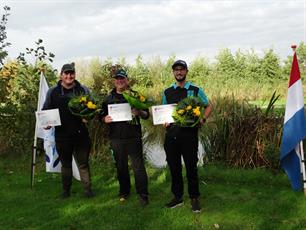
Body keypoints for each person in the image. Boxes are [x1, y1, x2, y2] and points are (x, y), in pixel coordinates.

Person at [162, 60, 212, 213]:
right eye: (176, 70)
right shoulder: (167, 92)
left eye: (181, 70)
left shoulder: (196, 90)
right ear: (173, 72)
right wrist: (163, 121)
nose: (179, 72)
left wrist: (202, 119)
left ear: (186, 71)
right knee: (174, 168)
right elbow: (164, 111)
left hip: (189, 136)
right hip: (171, 136)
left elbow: (208, 105)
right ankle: (177, 197)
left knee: (191, 168)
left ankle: (194, 198)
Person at [43, 62, 94, 199]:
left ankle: (88, 190)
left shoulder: (83, 90)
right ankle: (66, 192)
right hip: (62, 135)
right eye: (66, 73)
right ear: (61, 76)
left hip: (81, 135)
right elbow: (45, 110)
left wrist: (88, 117)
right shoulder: (52, 92)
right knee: (65, 165)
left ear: (74, 74)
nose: (69, 76)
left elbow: (93, 109)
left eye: (71, 73)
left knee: (83, 164)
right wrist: (46, 123)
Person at [101, 69, 149, 207]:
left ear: (127, 80)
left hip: (133, 137)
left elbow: (147, 115)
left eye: (122, 78)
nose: (120, 81)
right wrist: (105, 118)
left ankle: (143, 194)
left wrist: (139, 112)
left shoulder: (135, 96)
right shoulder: (108, 98)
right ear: (114, 81)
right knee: (121, 166)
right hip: (116, 138)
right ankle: (124, 192)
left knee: (138, 167)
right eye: (117, 78)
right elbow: (100, 115)